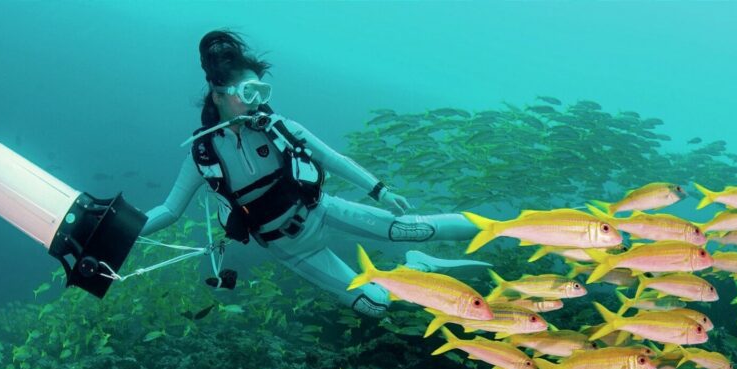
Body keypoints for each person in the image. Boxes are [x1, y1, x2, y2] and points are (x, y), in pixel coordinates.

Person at [141, 29, 491, 318]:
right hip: (289, 248)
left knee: (412, 229)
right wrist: (118, 230)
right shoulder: (203, 153)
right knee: (374, 305)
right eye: (249, 93)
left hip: (320, 210)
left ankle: (509, 229)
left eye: (263, 92)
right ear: (219, 95)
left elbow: (334, 158)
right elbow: (169, 211)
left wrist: (380, 190)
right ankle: (420, 270)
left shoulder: (281, 129)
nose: (258, 101)